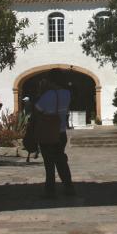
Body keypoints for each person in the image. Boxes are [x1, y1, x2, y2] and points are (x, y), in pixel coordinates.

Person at [34, 69, 75, 197]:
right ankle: (69, 187)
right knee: (61, 160)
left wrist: (41, 92)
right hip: (61, 132)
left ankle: (50, 190)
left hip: (47, 132)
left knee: (49, 163)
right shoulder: (67, 93)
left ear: (50, 80)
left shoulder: (48, 95)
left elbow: (37, 110)